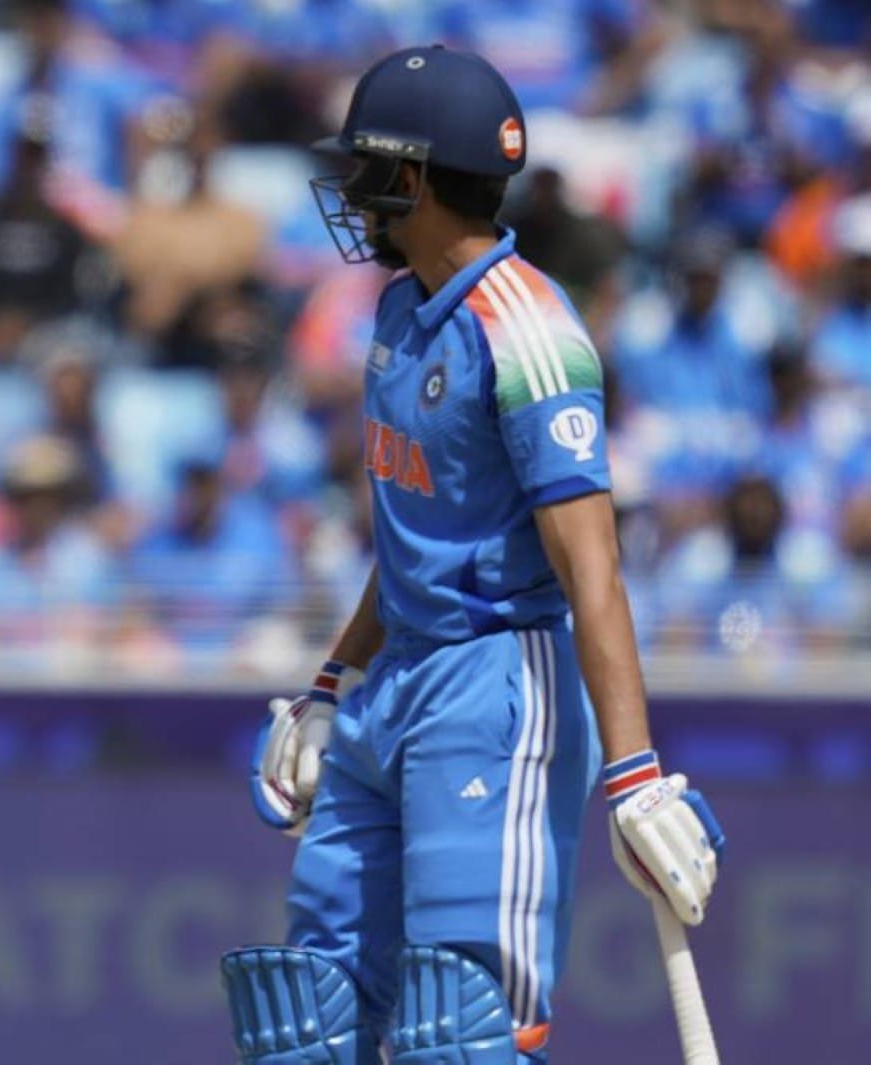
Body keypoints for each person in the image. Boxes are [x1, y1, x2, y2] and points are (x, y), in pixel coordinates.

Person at [221, 47, 724, 1065]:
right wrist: (332, 681)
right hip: (393, 684)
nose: (351, 192)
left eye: (365, 168)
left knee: (461, 1031)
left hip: (494, 691)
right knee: (305, 1022)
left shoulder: (528, 330)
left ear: (410, 177)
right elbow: (415, 532)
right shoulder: (400, 309)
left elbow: (591, 568)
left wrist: (635, 773)